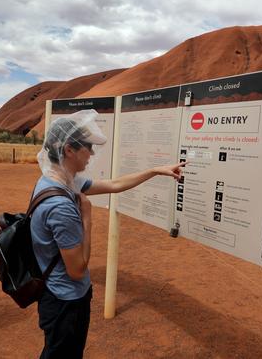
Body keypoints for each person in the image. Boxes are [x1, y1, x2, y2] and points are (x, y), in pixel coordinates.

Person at [31, 110, 184, 359]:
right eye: (88, 147)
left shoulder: (57, 181)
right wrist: (87, 219)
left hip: (58, 294)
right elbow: (77, 270)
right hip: (65, 301)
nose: (91, 154)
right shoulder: (60, 206)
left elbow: (114, 184)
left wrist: (156, 170)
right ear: (69, 150)